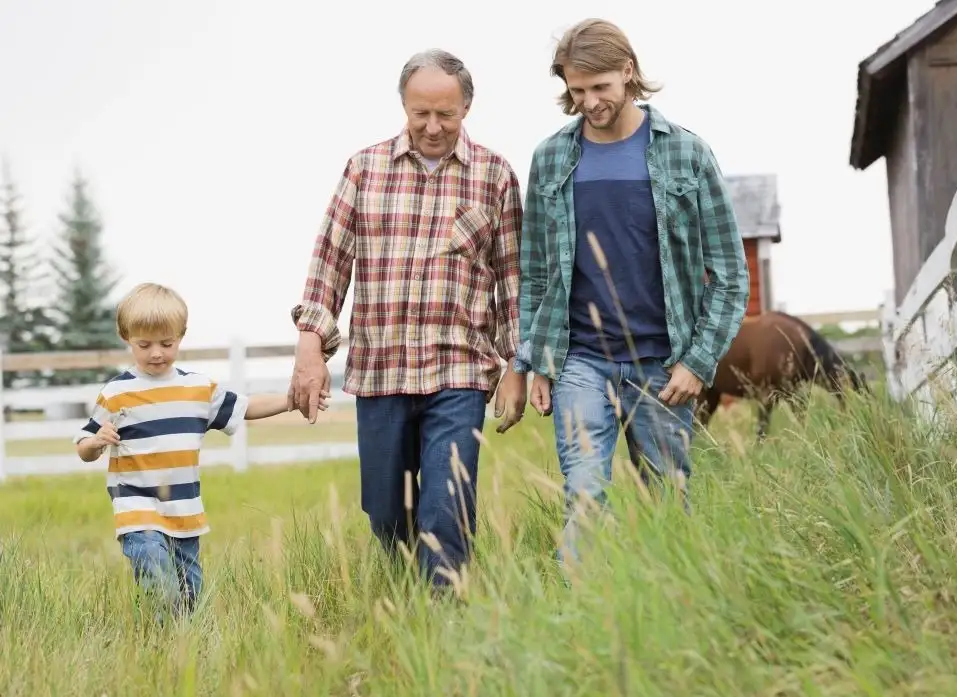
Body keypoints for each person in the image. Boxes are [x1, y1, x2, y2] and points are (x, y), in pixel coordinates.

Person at [287, 49, 526, 592]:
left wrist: (516, 363)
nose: (433, 127)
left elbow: (513, 281)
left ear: (467, 106)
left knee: (445, 510)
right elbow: (331, 261)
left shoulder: (495, 175)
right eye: (421, 114)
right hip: (380, 372)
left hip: (458, 373)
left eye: (447, 115)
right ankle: (404, 597)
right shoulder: (364, 168)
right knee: (388, 515)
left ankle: (446, 626)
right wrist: (310, 347)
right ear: (404, 105)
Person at [515, 18, 749, 563]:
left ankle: (668, 620)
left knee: (667, 506)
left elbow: (731, 274)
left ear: (628, 72)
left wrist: (698, 361)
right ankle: (582, 624)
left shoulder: (687, 154)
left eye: (600, 88)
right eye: (577, 91)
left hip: (662, 369)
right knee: (584, 500)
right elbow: (535, 273)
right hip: (581, 362)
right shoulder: (551, 158)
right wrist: (538, 359)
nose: (589, 102)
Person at [73, 282, 323, 619]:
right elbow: (83, 448)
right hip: (136, 508)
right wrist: (96, 441)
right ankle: (165, 638)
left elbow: (246, 407)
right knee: (157, 573)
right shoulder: (117, 393)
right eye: (144, 345)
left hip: (185, 511)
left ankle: (186, 643)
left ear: (181, 335)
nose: (156, 353)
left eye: (167, 343)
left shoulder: (196, 389)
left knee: (191, 594)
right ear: (126, 337)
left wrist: (291, 402)